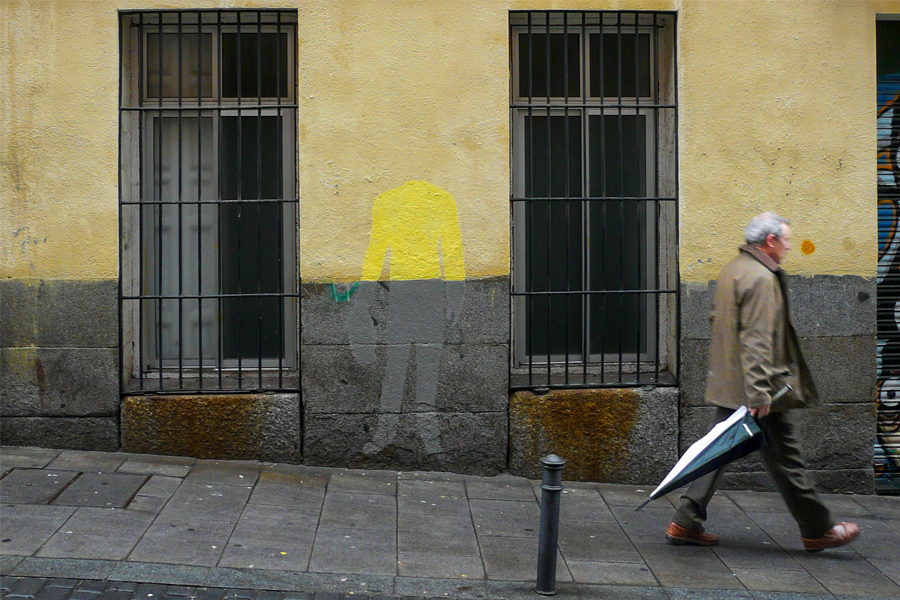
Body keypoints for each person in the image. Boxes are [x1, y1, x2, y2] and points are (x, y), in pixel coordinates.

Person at [665, 212, 860, 553]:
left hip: (732, 383)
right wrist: (759, 392)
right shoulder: (760, 278)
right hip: (758, 389)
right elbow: (757, 341)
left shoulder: (733, 269)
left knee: (718, 451)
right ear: (770, 241)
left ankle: (685, 520)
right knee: (787, 458)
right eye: (785, 241)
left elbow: (719, 321)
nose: (787, 248)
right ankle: (818, 530)